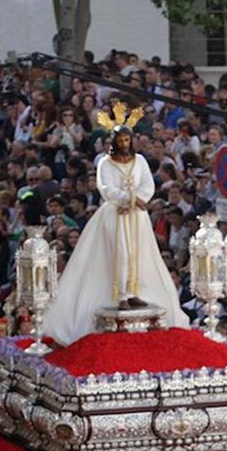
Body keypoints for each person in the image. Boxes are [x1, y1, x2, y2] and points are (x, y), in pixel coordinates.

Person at [44, 115, 187, 345]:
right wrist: (130, 199)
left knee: (138, 254)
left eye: (127, 140)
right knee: (117, 253)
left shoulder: (139, 161)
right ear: (114, 141)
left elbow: (147, 185)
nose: (124, 144)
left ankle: (134, 292)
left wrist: (137, 200)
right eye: (120, 140)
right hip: (114, 215)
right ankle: (120, 295)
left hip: (137, 217)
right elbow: (106, 188)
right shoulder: (105, 163)